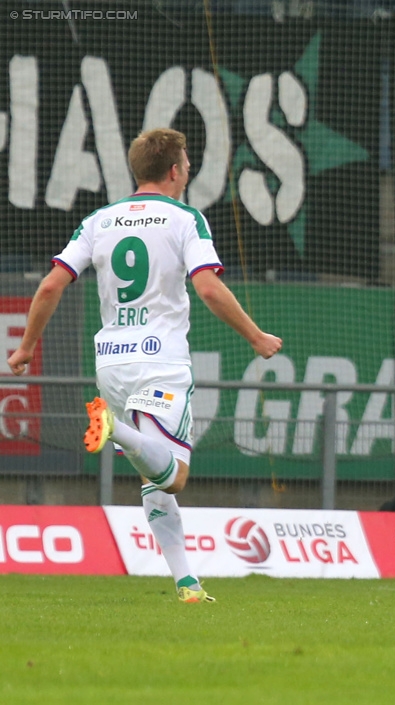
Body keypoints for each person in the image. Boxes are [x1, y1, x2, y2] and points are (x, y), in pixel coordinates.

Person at [6, 128, 282, 603]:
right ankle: (113, 427)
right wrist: (255, 337)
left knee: (153, 477)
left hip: (110, 364)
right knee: (173, 473)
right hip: (160, 363)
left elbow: (51, 285)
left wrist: (26, 347)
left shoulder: (99, 220)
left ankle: (187, 583)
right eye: (188, 164)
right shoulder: (186, 219)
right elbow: (210, 289)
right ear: (174, 171)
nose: (189, 171)